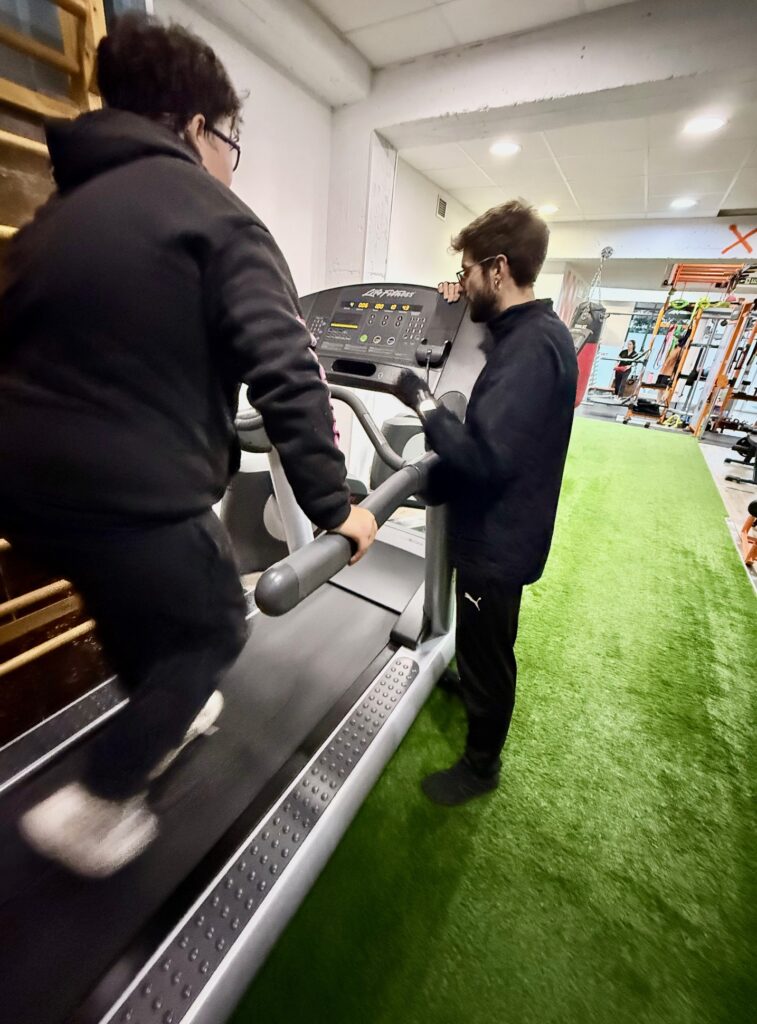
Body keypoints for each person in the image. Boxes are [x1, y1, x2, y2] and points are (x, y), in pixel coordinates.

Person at [0, 14, 376, 877]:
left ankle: (165, 710)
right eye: (230, 143)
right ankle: (98, 802)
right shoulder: (216, 214)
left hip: (23, 496)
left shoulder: (53, 222)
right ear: (197, 127)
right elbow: (287, 367)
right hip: (132, 491)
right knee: (209, 627)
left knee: (127, 603)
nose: (229, 163)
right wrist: (338, 507)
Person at [394, 200, 577, 806]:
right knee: (480, 640)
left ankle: (481, 767)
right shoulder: (529, 332)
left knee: (491, 651)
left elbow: (483, 457)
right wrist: (454, 298)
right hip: (502, 523)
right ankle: (470, 678)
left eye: (469, 271)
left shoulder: (530, 349)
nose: (464, 280)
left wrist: (421, 403)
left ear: (498, 269)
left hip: (499, 538)